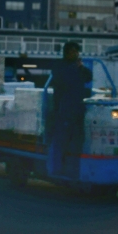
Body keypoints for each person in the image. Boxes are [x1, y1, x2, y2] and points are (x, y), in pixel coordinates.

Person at [48, 42, 93, 176]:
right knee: (60, 139)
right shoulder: (60, 66)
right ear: (67, 52)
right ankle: (56, 169)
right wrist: (77, 69)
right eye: (73, 52)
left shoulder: (79, 68)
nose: (76, 54)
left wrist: (80, 68)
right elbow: (64, 80)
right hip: (63, 108)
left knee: (77, 139)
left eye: (77, 52)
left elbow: (88, 77)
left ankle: (74, 169)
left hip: (77, 108)